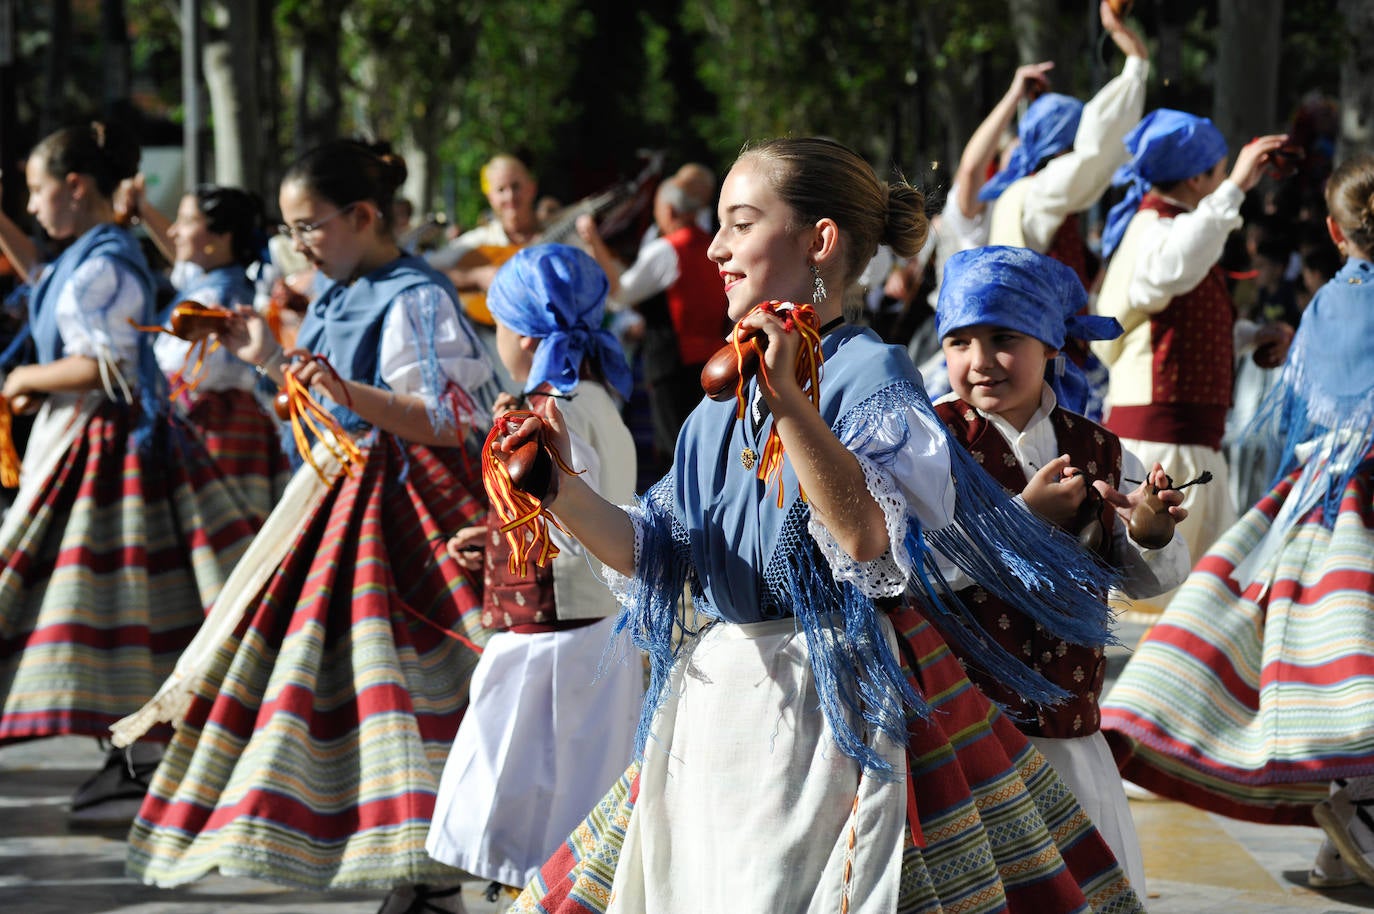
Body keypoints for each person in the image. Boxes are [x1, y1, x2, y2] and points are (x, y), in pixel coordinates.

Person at [503, 137, 1145, 913]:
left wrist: (791, 407)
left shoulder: (871, 374)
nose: (714, 248)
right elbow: (658, 552)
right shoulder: (725, 395)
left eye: (740, 224)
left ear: (820, 241)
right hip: (716, 707)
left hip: (820, 712)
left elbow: (870, 543)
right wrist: (555, 487)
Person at [116, 139, 498, 913]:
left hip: (403, 519)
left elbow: (453, 418)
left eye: (308, 226)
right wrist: (265, 357)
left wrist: (344, 391)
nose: (297, 244)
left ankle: (429, 873)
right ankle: (412, 873)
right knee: (350, 694)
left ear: (362, 215)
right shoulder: (336, 289)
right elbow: (320, 408)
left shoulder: (412, 295)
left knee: (409, 690)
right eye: (291, 229)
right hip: (339, 504)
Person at [1100, 153, 1374, 890]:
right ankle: (1356, 816)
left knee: (1320, 655)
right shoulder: (1169, 233)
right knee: (1354, 662)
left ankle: (1344, 834)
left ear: (1332, 230)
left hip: (1321, 496)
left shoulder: (1329, 303)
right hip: (1355, 495)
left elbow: (1302, 407)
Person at [0, 123, 260, 824]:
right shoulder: (89, 256)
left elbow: (104, 365)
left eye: (35, 190)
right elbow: (47, 285)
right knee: (108, 605)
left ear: (74, 185)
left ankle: (142, 754)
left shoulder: (104, 262)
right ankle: (131, 753)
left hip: (108, 452)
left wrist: (23, 373)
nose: (32, 206)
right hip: (94, 443)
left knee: (105, 602)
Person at [930, 245, 1195, 893]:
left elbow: (1148, 579)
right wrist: (1025, 518)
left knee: (1079, 886)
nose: (980, 361)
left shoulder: (1099, 448)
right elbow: (916, 570)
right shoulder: (927, 442)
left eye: (1004, 338)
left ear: (1051, 344)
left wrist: (1150, 531)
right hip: (964, 733)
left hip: (1069, 733)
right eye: (959, 341)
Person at [426, 244, 644, 897]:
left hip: (556, 638)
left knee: (535, 790)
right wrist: (496, 537)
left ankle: (534, 891)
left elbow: (573, 523)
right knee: (574, 782)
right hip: (595, 628)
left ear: (522, 335)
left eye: (496, 325)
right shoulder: (596, 398)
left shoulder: (555, 410)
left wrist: (505, 541)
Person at [1091, 111, 1290, 610]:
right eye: (1220, 172)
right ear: (1198, 178)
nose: (1225, 183)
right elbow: (1169, 271)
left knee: (1192, 608)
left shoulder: (1173, 229)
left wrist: (1250, 336)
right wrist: (1238, 187)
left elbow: (1170, 313)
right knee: (1157, 607)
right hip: (1161, 450)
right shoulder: (1156, 230)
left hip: (1190, 444)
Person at [125, 181, 289, 522]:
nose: (174, 231)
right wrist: (141, 208)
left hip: (213, 434)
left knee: (223, 536)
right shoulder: (210, 283)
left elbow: (198, 373)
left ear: (220, 236)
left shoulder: (218, 302)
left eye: (185, 221)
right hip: (212, 427)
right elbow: (178, 252)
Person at [982, 1, 1149, 288]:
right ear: (1061, 150)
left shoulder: (1026, 194)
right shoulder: (1040, 193)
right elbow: (1094, 152)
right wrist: (1136, 60)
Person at [577, 177, 729, 470]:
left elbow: (619, 295)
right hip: (712, 360)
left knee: (674, 454)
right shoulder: (712, 245)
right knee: (707, 448)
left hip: (671, 363)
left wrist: (593, 240)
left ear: (669, 211)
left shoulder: (665, 250)